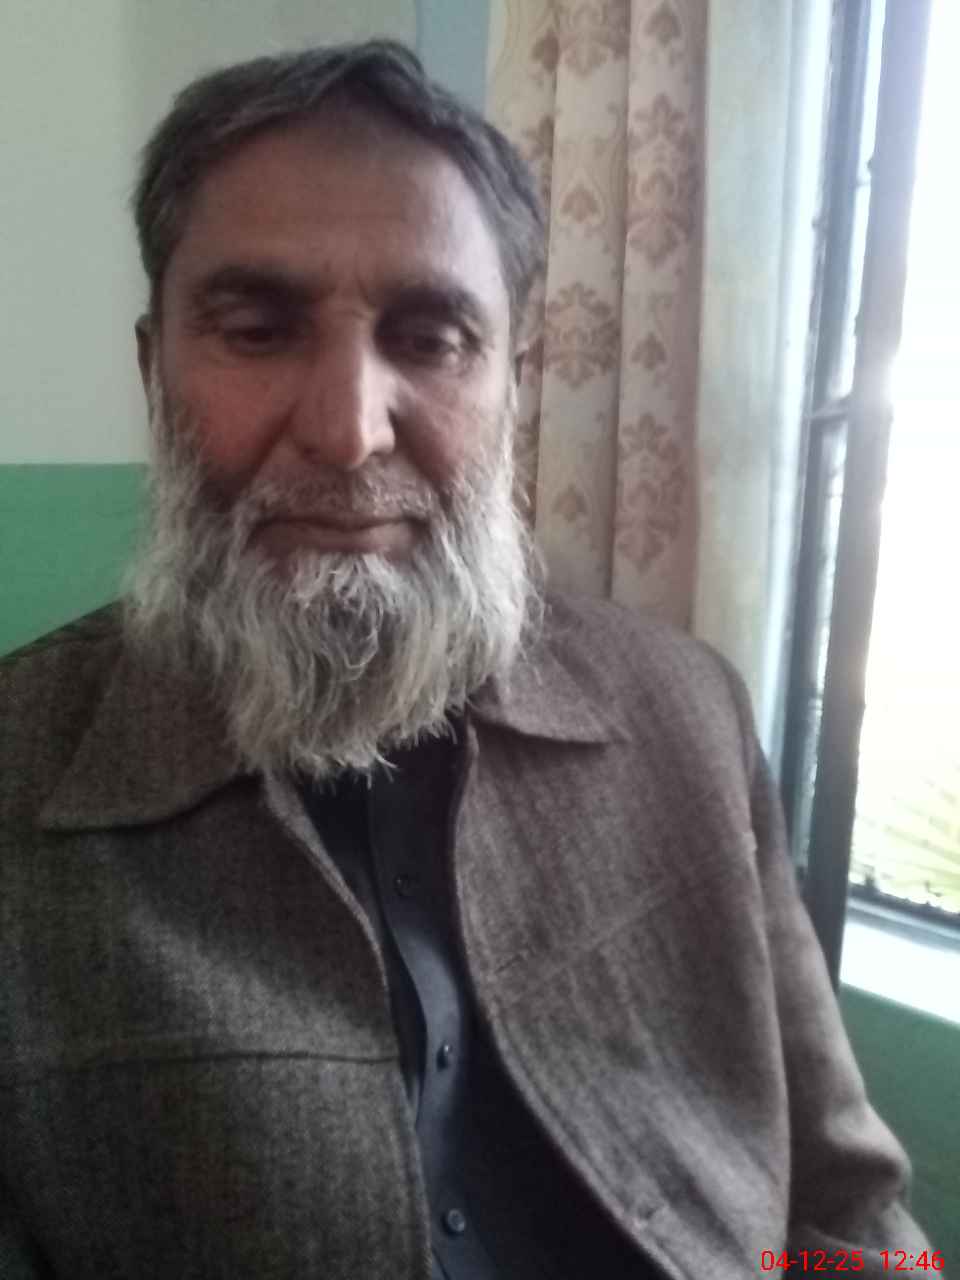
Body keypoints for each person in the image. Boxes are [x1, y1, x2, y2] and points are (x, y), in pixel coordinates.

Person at [0, 41, 932, 1280]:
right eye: (260, 330)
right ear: (151, 369)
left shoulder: (687, 713)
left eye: (432, 337)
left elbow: (847, 1208)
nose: (347, 430)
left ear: (510, 383)